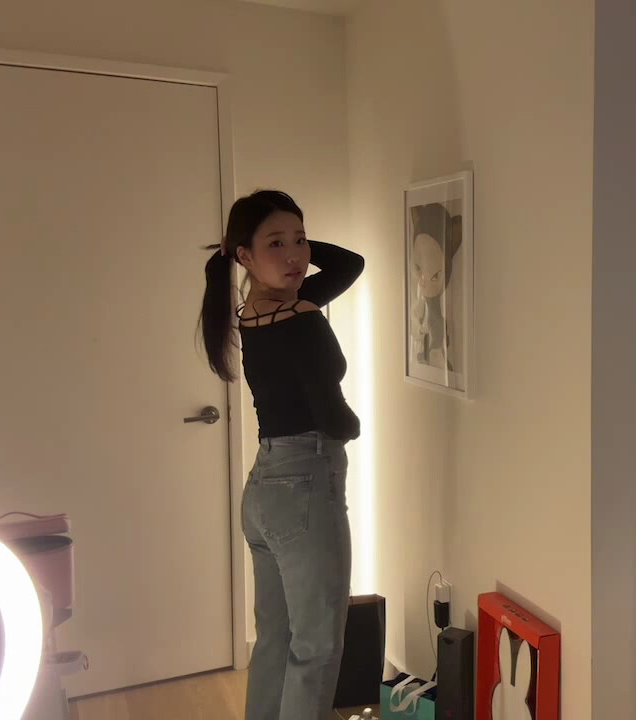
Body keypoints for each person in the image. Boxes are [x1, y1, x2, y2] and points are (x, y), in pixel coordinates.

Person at [200, 190, 364, 720]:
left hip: (265, 489)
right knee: (317, 646)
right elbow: (332, 415)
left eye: (300, 239)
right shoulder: (300, 315)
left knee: (277, 637)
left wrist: (276, 252)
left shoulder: (255, 311)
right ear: (244, 256)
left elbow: (349, 265)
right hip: (305, 486)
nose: (295, 255)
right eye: (276, 243)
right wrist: (354, 426)